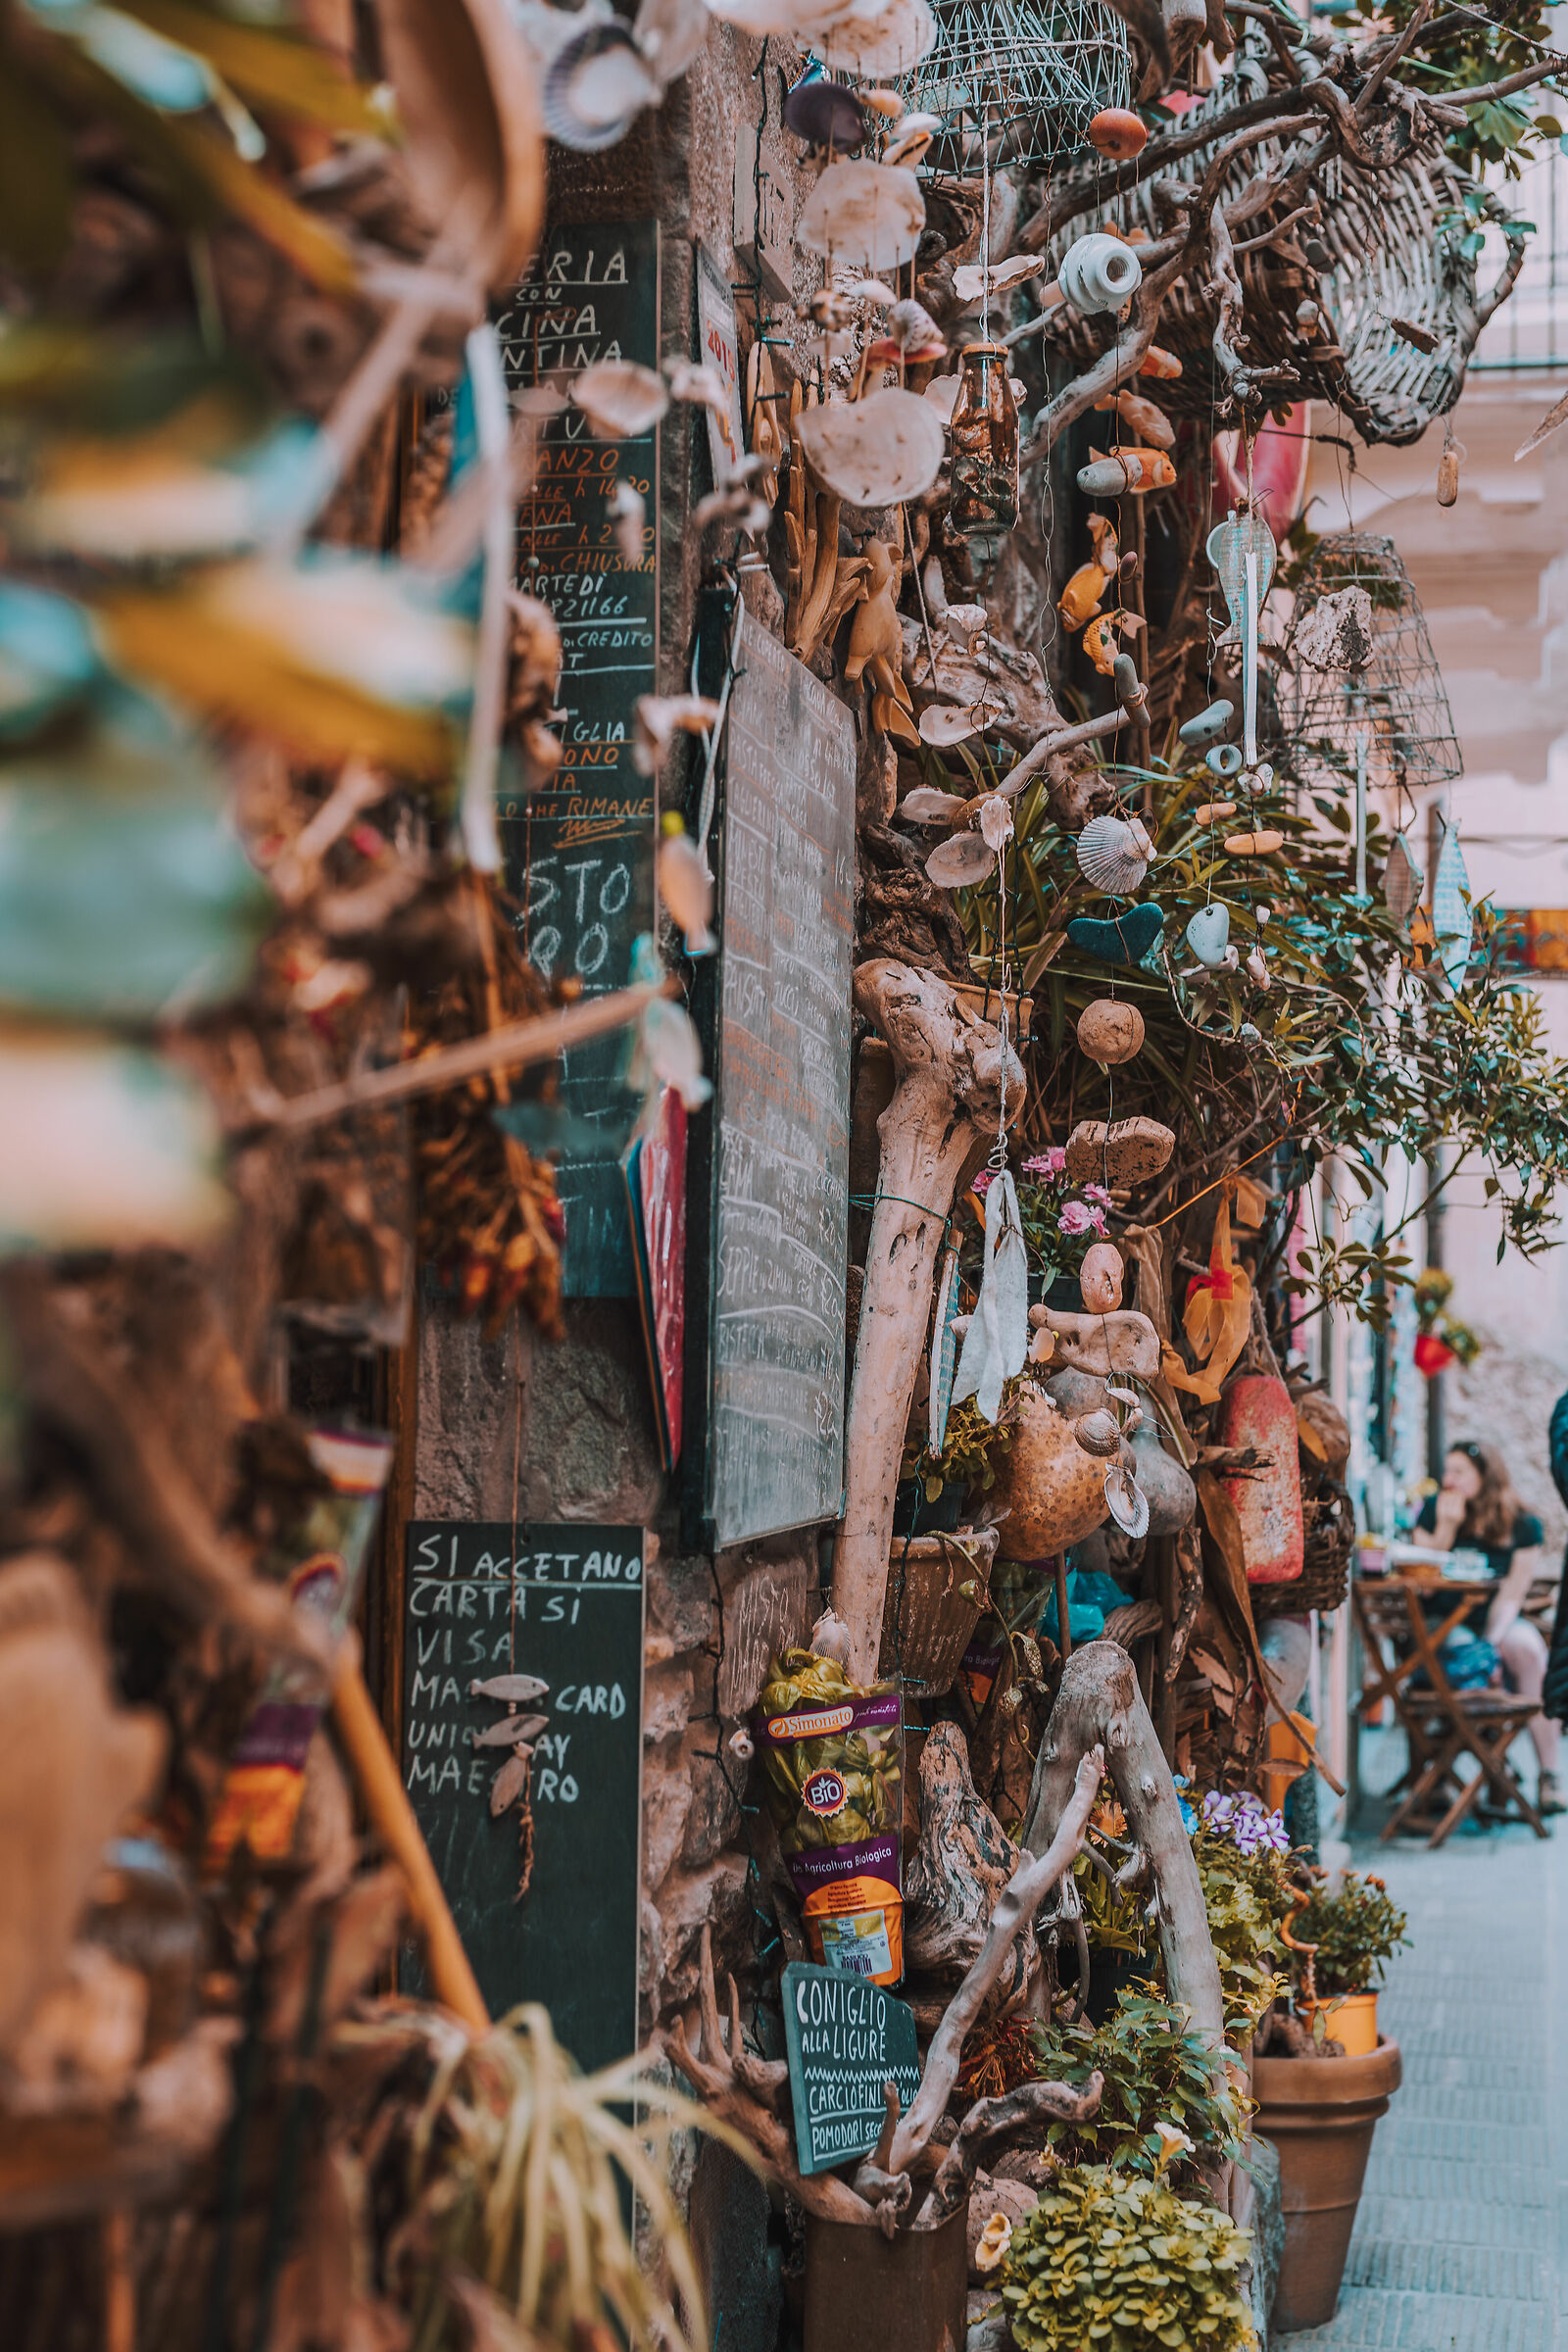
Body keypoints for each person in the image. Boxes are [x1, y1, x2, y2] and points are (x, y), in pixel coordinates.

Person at [1418, 1439, 1563, 1815]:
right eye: (1446, 1471)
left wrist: (1492, 1645)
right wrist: (1447, 1529)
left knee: (1530, 1651)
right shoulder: (1434, 1511)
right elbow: (1422, 1584)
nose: (1448, 1480)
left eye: (1459, 1472)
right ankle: (1444, 1777)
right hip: (1444, 1621)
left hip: (1497, 1619)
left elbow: (1512, 1596)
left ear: (1486, 1476)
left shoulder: (1522, 1523)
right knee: (1458, 1648)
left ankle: (1549, 1775)